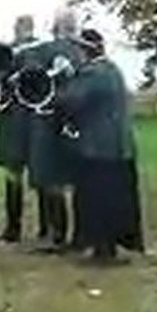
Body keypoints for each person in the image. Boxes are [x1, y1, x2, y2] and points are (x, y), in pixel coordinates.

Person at [60, 29, 144, 263]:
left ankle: (102, 251)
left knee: (96, 200)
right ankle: (110, 248)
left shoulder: (92, 74)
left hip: (97, 148)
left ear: (84, 51)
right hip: (120, 146)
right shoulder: (113, 70)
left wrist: (62, 84)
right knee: (116, 199)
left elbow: (71, 101)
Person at [25, 8, 86, 252]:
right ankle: (59, 232)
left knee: (52, 180)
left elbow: (31, 77)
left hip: (52, 119)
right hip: (69, 119)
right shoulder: (79, 52)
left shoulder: (51, 49)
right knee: (58, 180)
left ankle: (58, 235)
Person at [0, 14, 48, 243]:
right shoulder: (38, 50)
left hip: (20, 118)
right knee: (35, 174)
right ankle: (41, 228)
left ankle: (16, 229)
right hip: (29, 119)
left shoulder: (29, 50)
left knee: (19, 174)